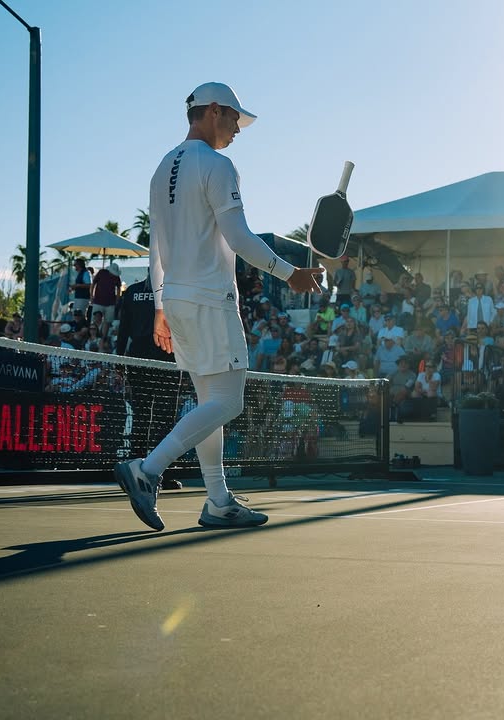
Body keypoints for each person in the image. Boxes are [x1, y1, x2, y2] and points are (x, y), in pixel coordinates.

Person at [115, 81, 324, 531]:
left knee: (210, 400)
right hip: (210, 299)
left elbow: (155, 247)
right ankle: (147, 470)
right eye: (233, 118)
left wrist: (159, 307)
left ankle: (218, 502)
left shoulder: (161, 168)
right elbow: (240, 238)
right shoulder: (218, 165)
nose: (237, 128)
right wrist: (292, 274)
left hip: (176, 299)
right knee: (226, 402)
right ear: (213, 111)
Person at [91, 262, 122, 335]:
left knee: (108, 321)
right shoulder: (101, 272)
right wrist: (91, 296)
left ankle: (105, 336)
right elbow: (93, 283)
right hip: (98, 301)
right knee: (95, 320)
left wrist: (117, 299)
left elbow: (118, 288)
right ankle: (94, 335)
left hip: (110, 302)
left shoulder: (116, 277)